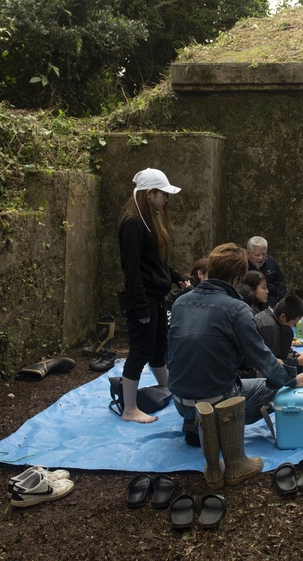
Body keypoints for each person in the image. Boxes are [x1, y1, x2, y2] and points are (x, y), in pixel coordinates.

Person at [168, 243, 303, 445]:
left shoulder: (180, 302)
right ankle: (219, 426)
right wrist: (291, 380)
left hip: (180, 400)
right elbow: (262, 358)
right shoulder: (237, 309)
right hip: (216, 400)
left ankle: (195, 424)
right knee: (276, 388)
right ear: (237, 278)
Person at [117, 168, 190, 424]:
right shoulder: (134, 223)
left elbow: (157, 263)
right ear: (150, 194)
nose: (166, 200)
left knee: (160, 348)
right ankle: (129, 409)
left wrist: (177, 276)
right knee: (140, 351)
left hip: (156, 298)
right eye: (163, 194)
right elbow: (132, 269)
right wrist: (140, 307)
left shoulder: (153, 222)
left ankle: (169, 388)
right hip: (143, 300)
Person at [254, 295, 303, 373]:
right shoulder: (269, 328)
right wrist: (296, 362)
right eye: (294, 322)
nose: (293, 326)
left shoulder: (270, 314)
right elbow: (272, 363)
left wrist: (294, 355)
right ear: (283, 316)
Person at [246, 236, 286, 309]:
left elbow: (281, 282)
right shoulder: (243, 266)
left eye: (264, 254)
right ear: (248, 253)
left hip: (271, 301)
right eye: (257, 255)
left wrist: (280, 300)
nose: (261, 258)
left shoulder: (271, 262)